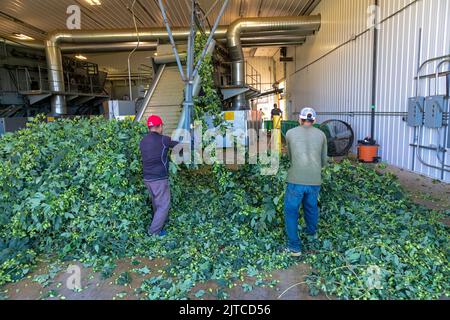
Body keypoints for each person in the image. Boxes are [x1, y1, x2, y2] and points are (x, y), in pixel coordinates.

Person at [284, 107, 328, 256]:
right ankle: (311, 234)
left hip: (295, 180)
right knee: (311, 207)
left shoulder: (290, 133)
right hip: (315, 180)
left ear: (299, 119)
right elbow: (323, 161)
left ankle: (294, 247)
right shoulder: (322, 135)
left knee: (291, 211)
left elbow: (290, 156)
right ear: (314, 120)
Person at [140, 115, 179, 237]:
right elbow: (180, 146)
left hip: (147, 178)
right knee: (163, 205)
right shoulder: (164, 140)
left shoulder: (143, 140)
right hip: (159, 178)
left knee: (156, 203)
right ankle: (154, 232)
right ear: (160, 126)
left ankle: (157, 227)